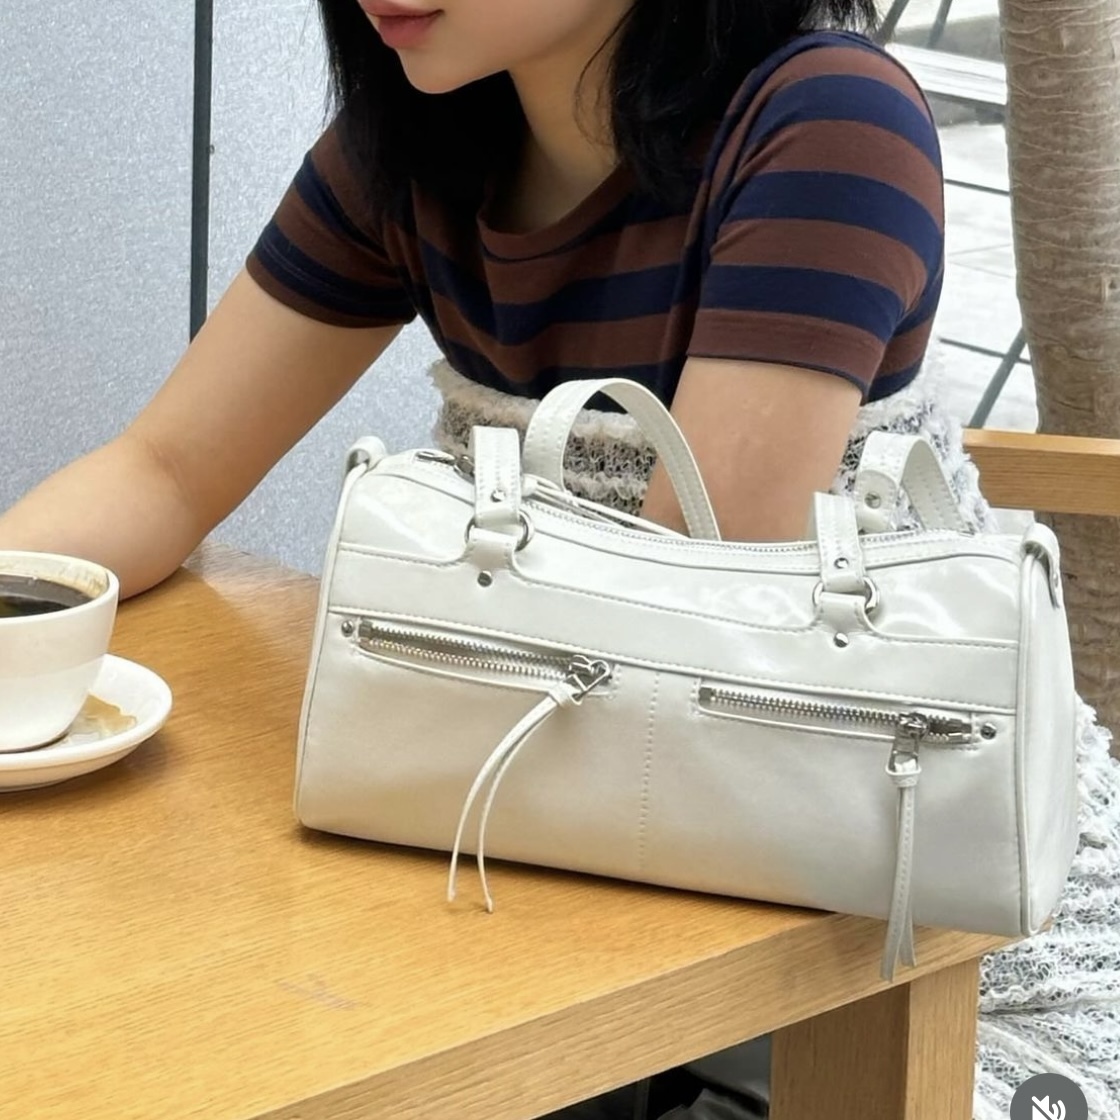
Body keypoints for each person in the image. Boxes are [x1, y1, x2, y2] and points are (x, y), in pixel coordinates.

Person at [2, 1, 1117, 1115]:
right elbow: (165, 472)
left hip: (934, 945)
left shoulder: (828, 122)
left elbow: (680, 634)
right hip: (565, 852)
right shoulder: (422, 141)